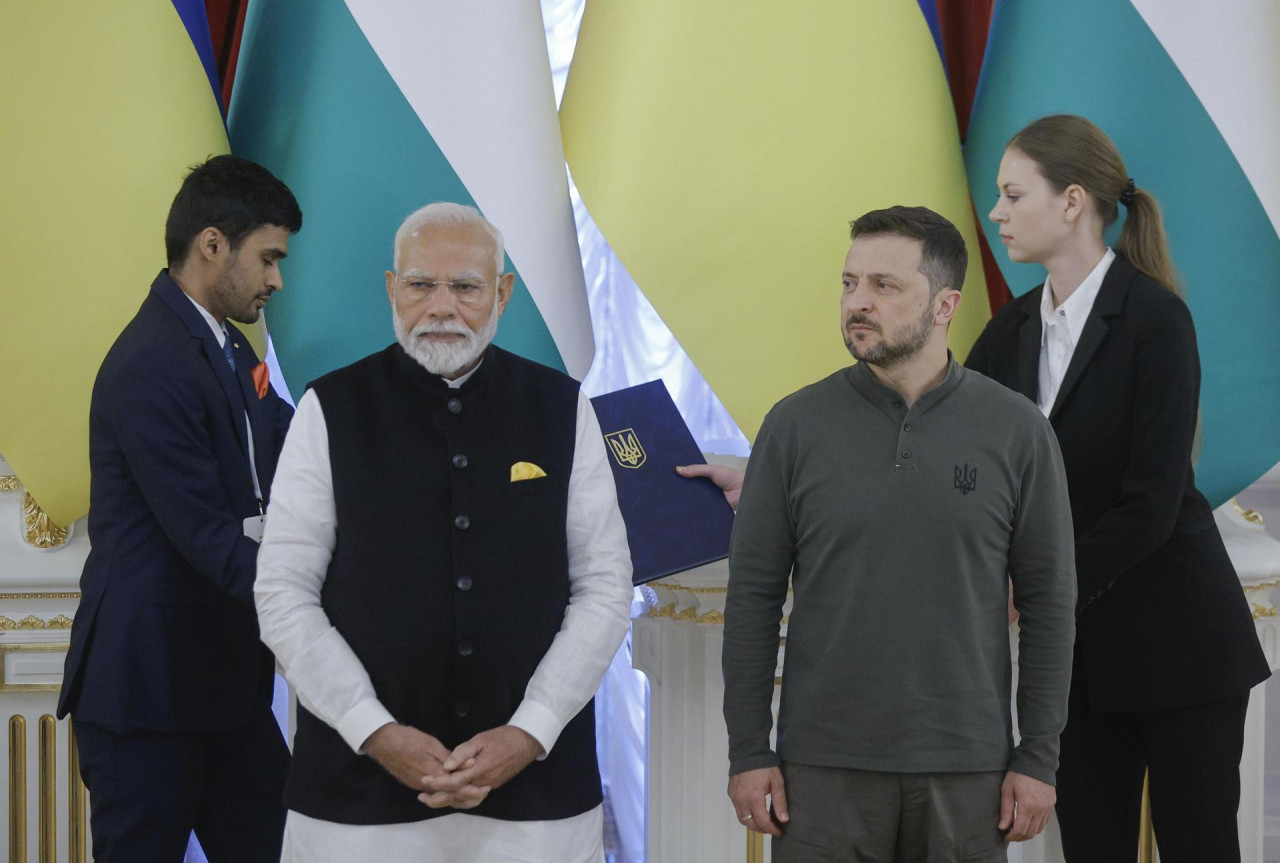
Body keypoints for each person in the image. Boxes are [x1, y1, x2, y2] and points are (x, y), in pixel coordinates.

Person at [254, 202, 634, 863]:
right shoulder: (329, 408)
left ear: (503, 293)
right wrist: (372, 729)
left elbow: (604, 587)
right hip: (355, 799)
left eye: (465, 286)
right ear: (390, 288)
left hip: (536, 797)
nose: (441, 306)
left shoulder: (561, 407)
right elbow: (284, 592)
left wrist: (529, 730)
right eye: (421, 284)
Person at [718, 205, 1076, 861]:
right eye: (850, 282)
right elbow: (753, 598)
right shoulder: (794, 426)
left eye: (884, 285)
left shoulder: (1018, 431)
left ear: (945, 305)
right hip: (820, 771)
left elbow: (1051, 603)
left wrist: (1038, 757)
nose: (858, 302)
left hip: (970, 771)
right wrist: (749, 747)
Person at [965, 114, 1270, 863]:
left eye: (1012, 194)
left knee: (1199, 846)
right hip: (1077, 660)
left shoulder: (1155, 318)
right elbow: (942, 443)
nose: (996, 212)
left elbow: (1153, 503)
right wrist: (782, 470)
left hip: (1180, 643)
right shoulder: (1006, 334)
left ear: (1072, 202)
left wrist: (1036, 583)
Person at [56, 155, 302, 861]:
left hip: (220, 689)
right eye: (269, 258)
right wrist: (325, 598)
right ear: (213, 244)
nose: (277, 279)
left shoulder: (232, 346)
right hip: (146, 698)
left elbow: (291, 437)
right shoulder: (150, 364)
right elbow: (207, 537)